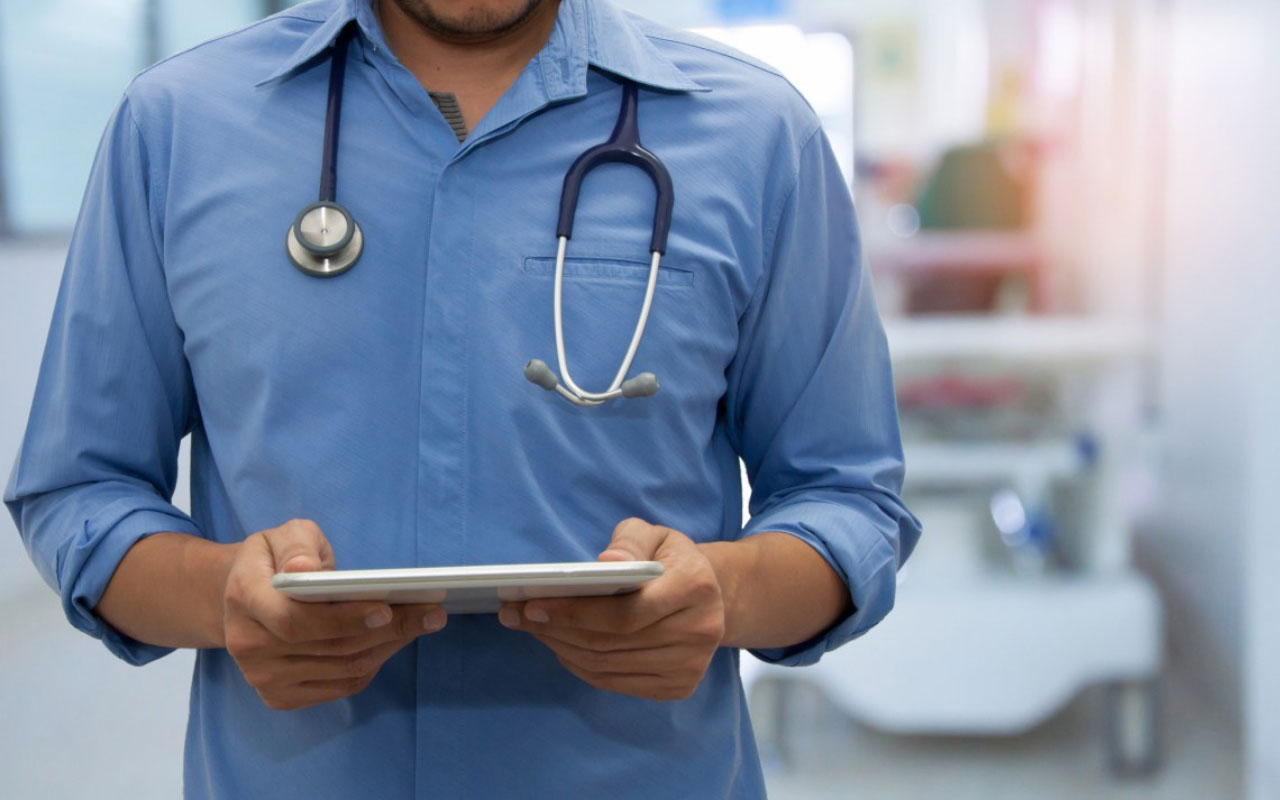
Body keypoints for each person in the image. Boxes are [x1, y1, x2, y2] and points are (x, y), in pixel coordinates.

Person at [5, 0, 920, 796]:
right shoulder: (178, 129)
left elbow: (849, 500)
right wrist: (222, 598)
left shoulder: (758, 138)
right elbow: (78, 490)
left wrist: (726, 593)